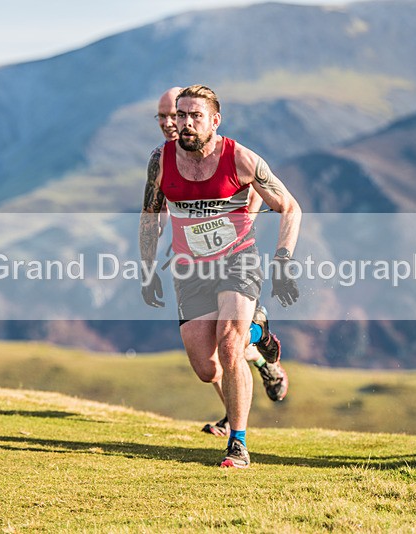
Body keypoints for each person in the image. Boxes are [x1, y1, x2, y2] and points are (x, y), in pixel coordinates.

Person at [140, 85, 302, 468]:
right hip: (189, 269)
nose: (185, 124)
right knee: (207, 367)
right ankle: (259, 335)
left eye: (195, 116)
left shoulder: (240, 158)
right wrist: (148, 270)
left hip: (237, 261)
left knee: (229, 346)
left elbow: (290, 207)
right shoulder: (160, 160)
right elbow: (150, 216)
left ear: (214, 120)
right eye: (181, 116)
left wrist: (282, 261)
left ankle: (238, 445)